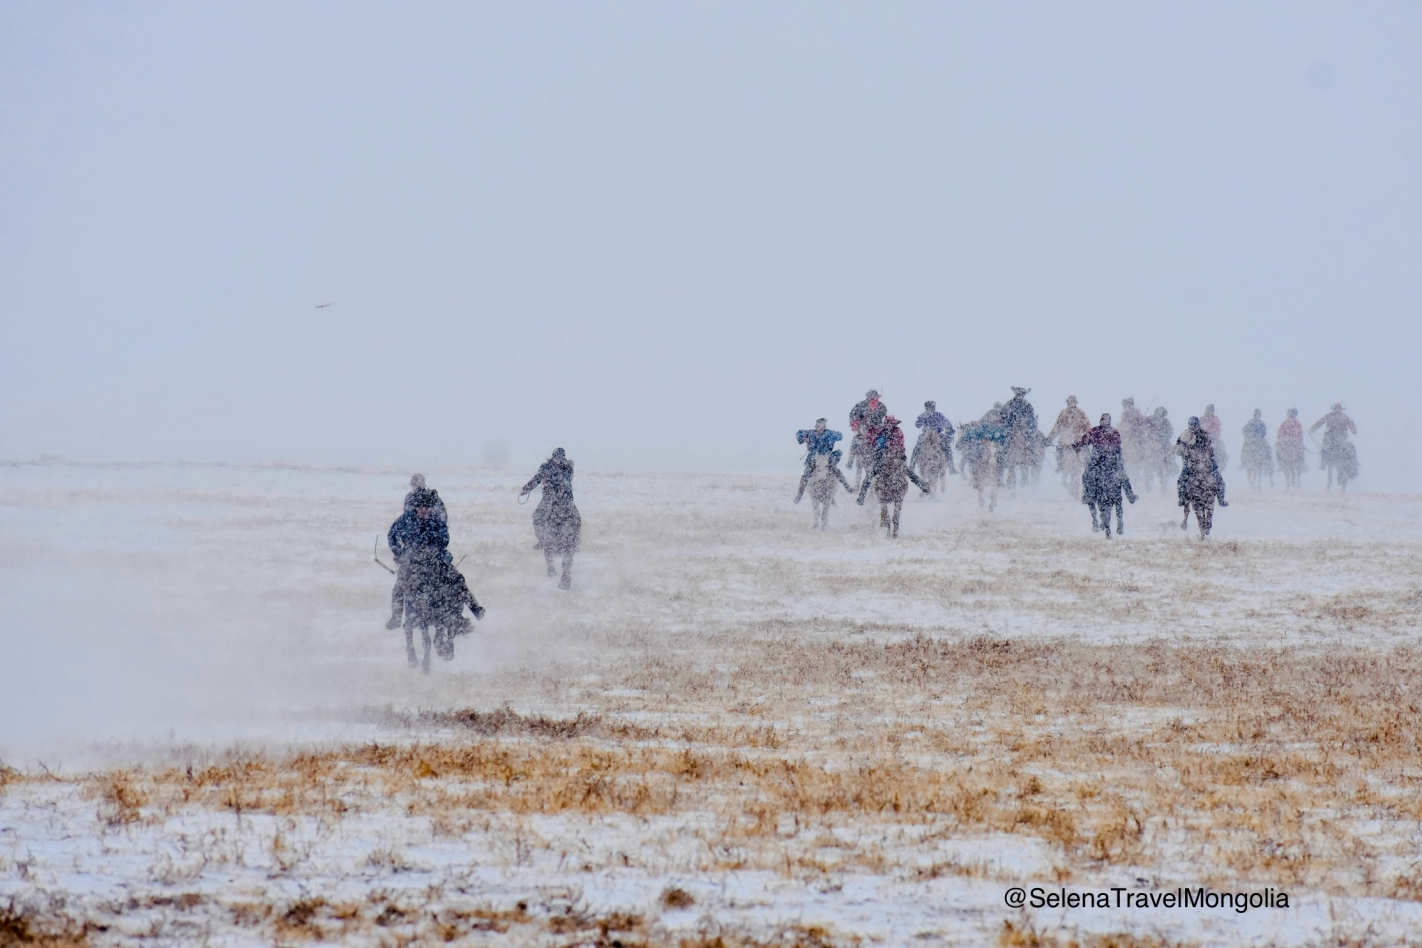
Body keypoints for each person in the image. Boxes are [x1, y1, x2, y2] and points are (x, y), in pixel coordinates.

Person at [386, 488, 454, 634]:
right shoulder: (406, 519)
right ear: (416, 507)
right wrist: (399, 553)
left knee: (456, 579)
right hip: (411, 561)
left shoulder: (436, 520)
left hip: (435, 559)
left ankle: (468, 610)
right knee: (399, 587)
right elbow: (392, 535)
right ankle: (396, 618)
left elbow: (445, 537)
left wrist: (435, 548)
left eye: (427, 507)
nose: (424, 510)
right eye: (420, 507)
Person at [520, 448, 581, 589]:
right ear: (553, 457)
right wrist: (526, 488)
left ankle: (575, 540)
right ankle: (542, 540)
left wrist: (549, 481)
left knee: (577, 519)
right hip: (548, 501)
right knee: (537, 516)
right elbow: (537, 478)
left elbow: (565, 481)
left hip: (565, 501)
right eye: (556, 458)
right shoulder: (545, 467)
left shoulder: (568, 469)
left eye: (561, 458)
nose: (559, 460)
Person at [1077, 413, 1138, 537]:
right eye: (1102, 420)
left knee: (1123, 476)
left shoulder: (1114, 433)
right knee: (1087, 475)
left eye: (1107, 420)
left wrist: (1109, 453)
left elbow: (1116, 447)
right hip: (1097, 461)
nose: (1104, 422)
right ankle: (1087, 495)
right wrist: (1077, 445)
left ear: (1110, 421)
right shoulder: (1094, 431)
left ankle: (1130, 495)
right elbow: (1084, 440)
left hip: (1112, 461)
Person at [1176, 417, 1228, 538]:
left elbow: (1210, 448)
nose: (1193, 427)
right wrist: (1184, 451)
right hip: (1191, 465)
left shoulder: (1204, 435)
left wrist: (1207, 455)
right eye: (1191, 425)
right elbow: (1179, 449)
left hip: (1206, 463)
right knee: (1181, 480)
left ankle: (1221, 498)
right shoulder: (1184, 435)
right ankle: (1182, 498)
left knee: (1219, 480)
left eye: (1195, 425)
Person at [957, 412, 1007, 510]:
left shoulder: (982, 429)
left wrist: (961, 443)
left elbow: (966, 437)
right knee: (995, 460)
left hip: (987, 453)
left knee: (999, 460)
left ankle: (992, 479)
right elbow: (1004, 439)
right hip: (984, 452)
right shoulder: (991, 429)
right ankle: (985, 479)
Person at [795, 419, 851, 501]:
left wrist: (832, 437)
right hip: (813, 459)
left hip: (827, 459)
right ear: (816, 426)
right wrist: (803, 438)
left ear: (825, 427)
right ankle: (799, 495)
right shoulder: (810, 433)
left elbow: (840, 436)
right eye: (818, 426)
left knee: (836, 471)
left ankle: (847, 487)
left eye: (822, 427)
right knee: (806, 475)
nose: (820, 429)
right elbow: (799, 433)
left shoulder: (829, 433)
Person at [1046, 396, 1091, 491]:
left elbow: (1087, 427)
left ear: (1075, 403)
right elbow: (1057, 427)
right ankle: (1060, 465)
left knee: (1085, 455)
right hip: (1065, 441)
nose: (1070, 404)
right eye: (1069, 402)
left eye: (1072, 402)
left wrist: (1086, 437)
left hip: (1077, 442)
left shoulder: (1081, 413)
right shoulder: (1063, 413)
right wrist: (1050, 438)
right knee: (1059, 452)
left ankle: (1088, 466)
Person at [1310, 404, 1358, 488]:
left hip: (1334, 437)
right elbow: (1352, 425)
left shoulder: (1332, 416)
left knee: (1325, 448)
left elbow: (1320, 422)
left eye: (1338, 408)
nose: (1337, 410)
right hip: (1338, 437)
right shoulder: (1341, 416)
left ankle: (1323, 463)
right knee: (1327, 448)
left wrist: (1313, 429)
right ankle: (1325, 463)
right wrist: (1353, 430)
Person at [1001, 387, 1038, 489]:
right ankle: (1003, 463)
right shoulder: (1008, 404)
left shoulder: (1027, 405)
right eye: (1018, 394)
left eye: (1021, 394)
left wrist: (1027, 429)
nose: (1020, 396)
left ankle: (1031, 462)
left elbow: (1032, 420)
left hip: (1025, 432)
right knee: (1003, 446)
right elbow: (1003, 418)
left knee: (1031, 446)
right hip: (1011, 432)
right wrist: (1009, 427)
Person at [915, 401, 957, 474]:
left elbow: (946, 422)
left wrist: (949, 428)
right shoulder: (924, 415)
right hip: (926, 434)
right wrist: (919, 422)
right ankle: (912, 465)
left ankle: (951, 467)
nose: (931, 409)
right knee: (917, 447)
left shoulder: (938, 415)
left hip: (937, 434)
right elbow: (917, 424)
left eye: (932, 407)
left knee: (946, 447)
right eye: (930, 407)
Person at [1141, 407, 1175, 493]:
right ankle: (1148, 483)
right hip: (1152, 444)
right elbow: (1145, 429)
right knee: (1148, 464)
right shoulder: (1149, 419)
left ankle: (1164, 483)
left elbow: (1170, 432)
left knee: (1169, 458)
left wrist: (1163, 437)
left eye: (1162, 414)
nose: (1160, 416)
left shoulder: (1166, 422)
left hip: (1163, 445)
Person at [1240, 409, 1274, 489]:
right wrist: (1250, 436)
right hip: (1251, 439)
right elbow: (1244, 430)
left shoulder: (1261, 423)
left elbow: (1264, 431)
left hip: (1260, 439)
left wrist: (1260, 435)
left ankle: (1268, 460)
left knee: (1267, 447)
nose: (1258, 415)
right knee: (1245, 448)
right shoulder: (1250, 423)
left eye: (1259, 414)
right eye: (1257, 414)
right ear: (1254, 415)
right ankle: (1244, 461)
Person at [1275, 408, 1306, 489]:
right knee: (1278, 451)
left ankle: (1301, 465)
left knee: (1301, 452)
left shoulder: (1298, 424)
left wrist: (1297, 441)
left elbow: (1300, 434)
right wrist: (1282, 440)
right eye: (1290, 414)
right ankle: (1281, 464)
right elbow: (1280, 433)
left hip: (1295, 443)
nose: (1291, 415)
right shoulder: (1284, 424)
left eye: (1293, 414)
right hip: (1286, 443)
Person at [1119, 398, 1147, 483]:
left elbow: (1123, 427)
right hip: (1137, 441)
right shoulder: (1138, 412)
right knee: (1136, 461)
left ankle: (1133, 479)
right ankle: (1135, 478)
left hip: (1131, 441)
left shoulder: (1126, 413)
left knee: (1130, 460)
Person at [1200, 404, 1228, 471]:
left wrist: (1212, 434)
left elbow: (1217, 428)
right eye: (1208, 410)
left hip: (1214, 439)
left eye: (1211, 411)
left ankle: (1222, 462)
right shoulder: (1202, 419)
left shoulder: (1215, 419)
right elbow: (1198, 428)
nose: (1209, 412)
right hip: (1202, 439)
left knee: (1221, 448)